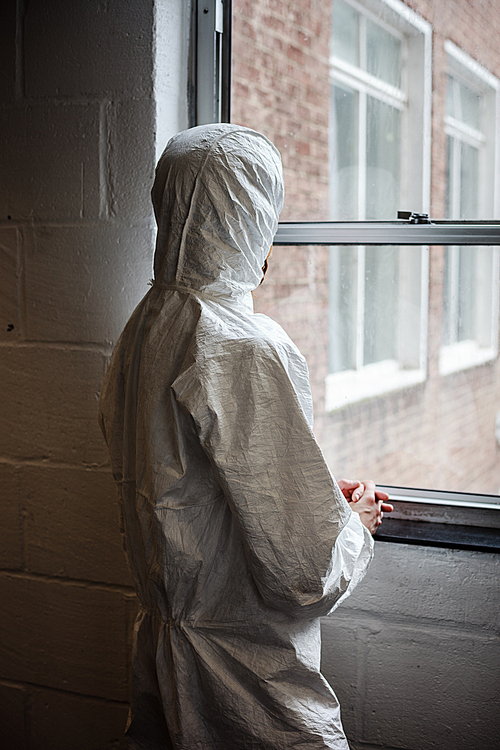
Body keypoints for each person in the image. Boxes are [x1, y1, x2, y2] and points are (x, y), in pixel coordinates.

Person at [98, 123, 392, 749]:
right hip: (247, 688)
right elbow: (304, 572)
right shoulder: (243, 347)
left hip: (162, 667)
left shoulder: (143, 329)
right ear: (251, 222)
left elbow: (186, 493)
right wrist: (352, 523)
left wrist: (304, 492)